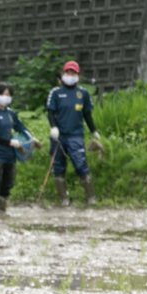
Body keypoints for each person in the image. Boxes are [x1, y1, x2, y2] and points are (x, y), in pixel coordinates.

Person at [0, 82, 42, 215]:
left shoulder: (11, 113)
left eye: (9, 94)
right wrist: (9, 142)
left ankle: (1, 211)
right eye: (5, 94)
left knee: (7, 185)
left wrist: (32, 139)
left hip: (10, 156)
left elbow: (21, 128)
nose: (7, 97)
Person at [46, 60, 101, 206]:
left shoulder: (83, 93)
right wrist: (53, 127)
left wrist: (94, 131)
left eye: (73, 73)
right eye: (67, 72)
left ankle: (91, 198)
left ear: (77, 75)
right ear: (63, 74)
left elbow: (87, 115)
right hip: (59, 136)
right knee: (58, 166)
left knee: (80, 165)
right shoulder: (56, 93)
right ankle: (64, 199)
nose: (70, 75)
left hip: (76, 136)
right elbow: (50, 112)